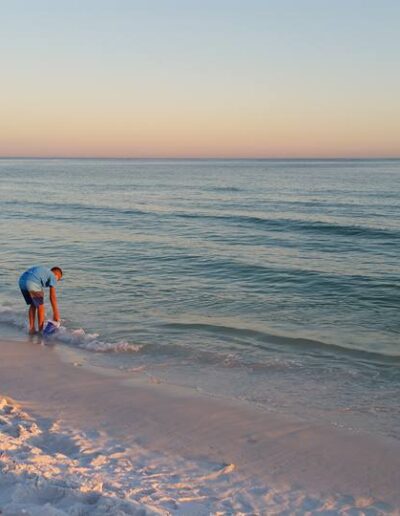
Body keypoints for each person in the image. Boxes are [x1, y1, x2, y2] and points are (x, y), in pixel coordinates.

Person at [19, 266, 63, 334]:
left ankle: (32, 329)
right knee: (41, 307)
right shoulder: (53, 276)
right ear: (57, 275)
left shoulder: (45, 272)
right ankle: (41, 331)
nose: (56, 281)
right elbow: (52, 297)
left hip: (22, 281)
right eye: (58, 279)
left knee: (33, 305)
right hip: (33, 281)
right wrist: (56, 314)